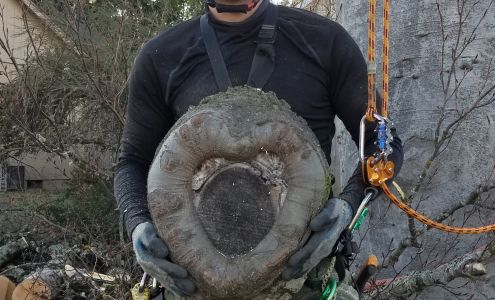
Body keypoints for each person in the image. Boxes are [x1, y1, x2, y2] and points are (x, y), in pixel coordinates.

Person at [114, 0, 404, 297]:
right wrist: (138, 223)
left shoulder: (323, 41)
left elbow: (383, 143)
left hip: (304, 281)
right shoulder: (161, 57)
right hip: (193, 284)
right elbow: (133, 162)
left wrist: (348, 206)